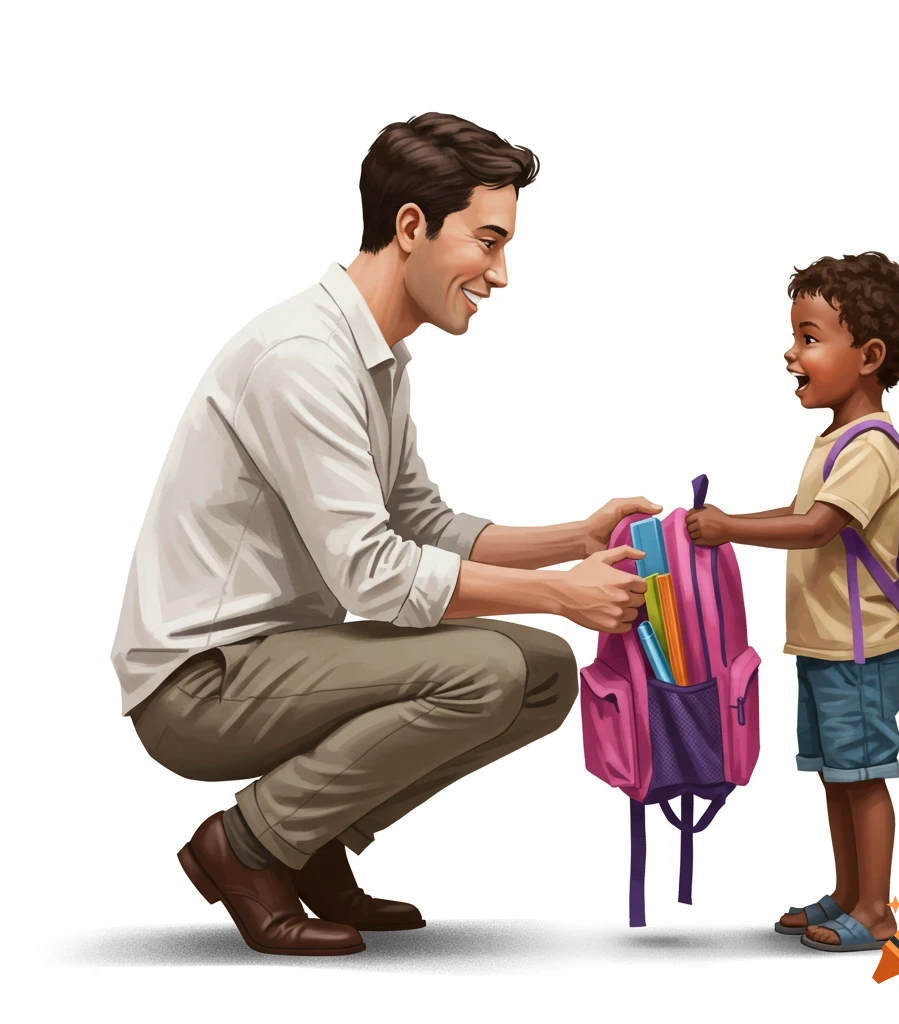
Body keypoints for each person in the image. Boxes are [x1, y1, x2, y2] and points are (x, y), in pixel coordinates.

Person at [111, 112, 658, 957]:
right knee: (488, 670)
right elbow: (374, 574)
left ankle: (309, 839)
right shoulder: (303, 357)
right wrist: (557, 595)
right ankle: (248, 847)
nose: (500, 274)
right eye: (487, 242)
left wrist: (573, 542)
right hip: (201, 683)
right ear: (411, 226)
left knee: (544, 674)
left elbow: (419, 523)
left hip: (278, 659)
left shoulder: (376, 358)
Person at [685, 252, 899, 952]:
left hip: (860, 652)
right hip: (827, 647)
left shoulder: (872, 447)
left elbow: (819, 526)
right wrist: (729, 523)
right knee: (835, 776)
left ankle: (876, 910)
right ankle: (848, 894)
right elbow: (803, 514)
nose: (791, 353)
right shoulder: (836, 441)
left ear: (869, 356)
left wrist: (730, 529)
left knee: (863, 778)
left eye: (810, 337)